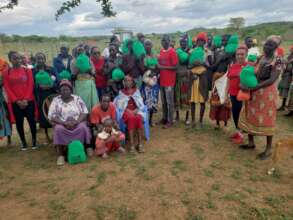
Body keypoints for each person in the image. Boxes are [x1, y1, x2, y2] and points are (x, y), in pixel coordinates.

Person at [239, 35, 283, 160]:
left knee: (267, 118)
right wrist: (245, 82)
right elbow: (252, 70)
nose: (267, 47)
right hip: (254, 90)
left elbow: (272, 79)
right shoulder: (260, 57)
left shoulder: (278, 60)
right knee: (249, 114)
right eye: (266, 44)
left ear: (276, 47)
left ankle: (268, 149)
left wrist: (255, 87)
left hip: (266, 93)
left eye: (271, 45)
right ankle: (251, 142)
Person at [48, 80, 92, 166]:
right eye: (62, 90)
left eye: (67, 89)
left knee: (83, 127)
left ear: (71, 90)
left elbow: (84, 112)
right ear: (60, 91)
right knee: (58, 129)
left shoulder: (77, 98)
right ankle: (60, 155)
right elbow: (52, 115)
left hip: (77, 123)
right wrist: (64, 123)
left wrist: (77, 121)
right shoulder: (56, 100)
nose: (65, 92)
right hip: (62, 124)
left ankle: (87, 147)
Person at [3, 51, 37, 150]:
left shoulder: (27, 71)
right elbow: (7, 88)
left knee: (32, 121)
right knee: (19, 122)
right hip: (15, 102)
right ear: (10, 60)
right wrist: (17, 101)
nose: (18, 60)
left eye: (19, 58)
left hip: (28, 100)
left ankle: (34, 141)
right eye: (15, 58)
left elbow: (30, 85)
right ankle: (23, 142)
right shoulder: (6, 73)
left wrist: (25, 99)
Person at [114, 75, 146, 153]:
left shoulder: (136, 91)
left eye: (129, 81)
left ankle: (140, 144)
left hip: (136, 110)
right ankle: (132, 145)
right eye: (126, 81)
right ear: (123, 82)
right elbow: (120, 105)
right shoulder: (121, 92)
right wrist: (128, 110)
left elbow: (140, 103)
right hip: (126, 111)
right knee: (131, 118)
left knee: (139, 118)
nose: (127, 82)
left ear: (132, 82)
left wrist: (137, 109)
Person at [32, 52, 57, 142]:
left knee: (54, 113)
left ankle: (55, 132)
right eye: (38, 58)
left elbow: (57, 80)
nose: (40, 60)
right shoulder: (33, 71)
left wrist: (51, 86)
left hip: (52, 94)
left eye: (42, 58)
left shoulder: (51, 69)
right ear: (36, 60)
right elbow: (32, 84)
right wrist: (39, 87)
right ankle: (46, 134)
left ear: (45, 59)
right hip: (41, 96)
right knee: (44, 114)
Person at [227, 45, 249, 143]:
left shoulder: (249, 66)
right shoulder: (232, 66)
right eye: (238, 54)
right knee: (235, 113)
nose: (240, 56)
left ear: (246, 54)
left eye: (242, 54)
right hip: (232, 93)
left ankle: (242, 133)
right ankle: (238, 131)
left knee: (242, 114)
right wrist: (227, 92)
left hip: (243, 95)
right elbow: (228, 79)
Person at [189, 32, 209, 128]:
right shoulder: (191, 51)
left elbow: (210, 66)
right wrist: (194, 64)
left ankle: (200, 121)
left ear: (204, 42)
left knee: (202, 101)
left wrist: (202, 63)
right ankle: (193, 121)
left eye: (202, 41)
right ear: (196, 42)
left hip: (203, 78)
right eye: (198, 41)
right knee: (192, 101)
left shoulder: (207, 52)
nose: (200, 42)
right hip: (193, 78)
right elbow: (189, 65)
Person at [158, 34, 179, 128]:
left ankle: (170, 121)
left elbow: (176, 67)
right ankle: (164, 118)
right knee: (163, 102)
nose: (164, 42)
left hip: (169, 81)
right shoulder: (161, 51)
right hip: (162, 80)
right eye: (162, 40)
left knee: (170, 102)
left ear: (169, 41)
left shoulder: (172, 52)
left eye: (166, 40)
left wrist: (163, 67)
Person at [72, 46, 98, 111]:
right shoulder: (74, 61)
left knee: (91, 103)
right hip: (79, 85)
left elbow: (93, 72)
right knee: (81, 102)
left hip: (89, 83)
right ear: (76, 53)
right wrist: (78, 69)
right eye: (78, 51)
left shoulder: (88, 60)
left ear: (84, 52)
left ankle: (91, 117)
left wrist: (88, 69)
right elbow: (73, 74)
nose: (80, 52)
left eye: (82, 51)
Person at [141, 39, 160, 126]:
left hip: (154, 80)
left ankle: (150, 120)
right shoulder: (142, 55)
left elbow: (157, 67)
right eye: (146, 44)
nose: (147, 46)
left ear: (151, 46)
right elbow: (142, 68)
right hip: (145, 80)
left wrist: (154, 73)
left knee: (153, 100)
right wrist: (150, 71)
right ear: (143, 46)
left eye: (149, 44)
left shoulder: (155, 55)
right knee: (146, 101)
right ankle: (145, 120)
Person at [175, 34, 191, 124]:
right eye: (181, 42)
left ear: (187, 43)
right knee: (177, 97)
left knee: (186, 97)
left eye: (184, 42)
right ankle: (177, 116)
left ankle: (187, 118)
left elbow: (190, 65)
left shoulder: (190, 52)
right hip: (178, 76)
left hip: (186, 78)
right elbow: (176, 63)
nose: (183, 44)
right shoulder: (177, 52)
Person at [278, 46, 293, 111]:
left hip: (289, 76)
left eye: (291, 49)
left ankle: (284, 106)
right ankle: (283, 105)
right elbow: (284, 62)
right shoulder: (289, 56)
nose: (290, 50)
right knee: (283, 90)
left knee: (286, 91)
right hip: (285, 75)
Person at [0, 58, 12, 142]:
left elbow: (7, 76)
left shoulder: (4, 63)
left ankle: (8, 136)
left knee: (6, 115)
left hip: (3, 94)